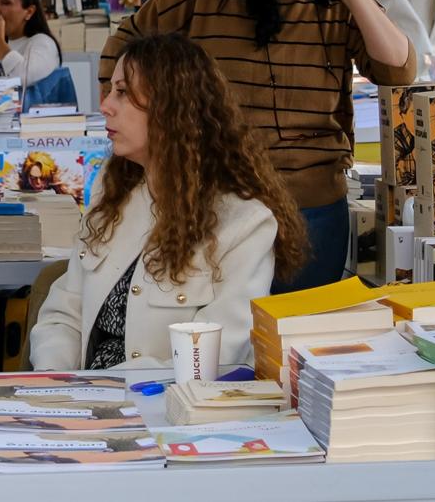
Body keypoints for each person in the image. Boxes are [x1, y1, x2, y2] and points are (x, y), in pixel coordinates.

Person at [98, 0, 416, 292]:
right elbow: (125, 45)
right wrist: (141, 124)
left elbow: (399, 72)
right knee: (222, 344)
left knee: (292, 344)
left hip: (314, 209)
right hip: (215, 203)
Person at [30, 33, 307, 371]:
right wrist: (56, 381)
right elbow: (64, 312)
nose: (105, 106)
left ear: (170, 109)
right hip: (84, 400)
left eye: (123, 93)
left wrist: (102, 390)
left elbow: (212, 360)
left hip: (165, 410)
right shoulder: (114, 192)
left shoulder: (245, 223)